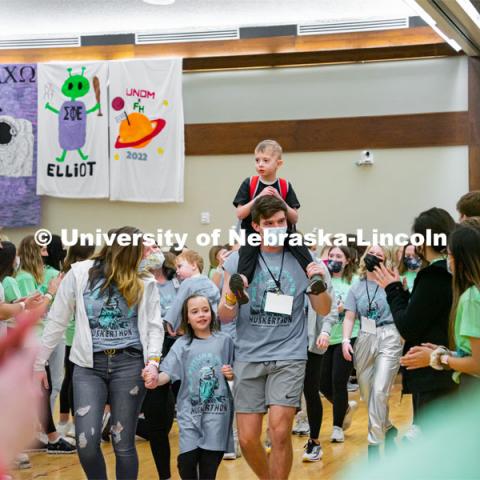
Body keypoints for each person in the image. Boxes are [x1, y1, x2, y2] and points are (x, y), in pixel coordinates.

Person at [34, 226, 164, 480]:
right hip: (88, 365)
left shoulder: (144, 280)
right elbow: (57, 320)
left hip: (129, 363)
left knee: (122, 440)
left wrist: (153, 362)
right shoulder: (80, 273)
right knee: (86, 442)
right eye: (142, 250)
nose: (147, 256)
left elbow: (154, 326)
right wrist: (39, 363)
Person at [219, 195, 332, 479]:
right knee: (247, 439)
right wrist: (233, 295)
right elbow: (225, 315)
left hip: (289, 354)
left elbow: (324, 309)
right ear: (256, 227)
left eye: (281, 222)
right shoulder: (238, 260)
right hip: (248, 355)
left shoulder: (304, 260)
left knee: (280, 431)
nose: (277, 228)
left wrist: (318, 286)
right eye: (269, 223)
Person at [373, 208, 457, 436]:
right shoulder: (453, 273)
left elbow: (408, 326)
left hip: (433, 371)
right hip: (447, 366)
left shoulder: (433, 276)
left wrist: (392, 290)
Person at [144, 295, 234, 480]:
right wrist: (155, 379)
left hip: (217, 416)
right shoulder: (182, 345)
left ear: (212, 313)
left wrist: (231, 374)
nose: (201, 315)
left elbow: (237, 372)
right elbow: (168, 373)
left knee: (209, 470)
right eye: (195, 312)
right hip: (189, 415)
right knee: (187, 464)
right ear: (187, 318)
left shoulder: (225, 340)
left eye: (205, 310)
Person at [230, 139, 325, 304]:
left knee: (297, 242)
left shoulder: (285, 185)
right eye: (257, 160)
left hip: (282, 233)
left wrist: (280, 200)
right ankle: (242, 284)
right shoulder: (250, 183)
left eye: (266, 160)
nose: (260, 164)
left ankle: (314, 276)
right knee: (248, 252)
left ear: (278, 163)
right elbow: (240, 213)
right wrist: (259, 197)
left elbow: (294, 217)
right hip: (256, 233)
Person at [400, 219, 480, 392]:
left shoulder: (472, 297)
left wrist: (438, 358)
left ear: (461, 259)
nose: (447, 260)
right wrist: (447, 353)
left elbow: (477, 364)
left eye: (449, 254)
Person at [342, 245, 402, 460]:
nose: (374, 257)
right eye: (371, 253)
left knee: (379, 391)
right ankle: (387, 427)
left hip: (390, 334)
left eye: (380, 255)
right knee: (368, 393)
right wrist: (345, 340)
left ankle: (374, 445)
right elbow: (349, 316)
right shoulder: (356, 287)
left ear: (385, 260)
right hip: (365, 336)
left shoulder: (392, 282)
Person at [316, 246, 359, 445]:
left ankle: (337, 427)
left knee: (338, 381)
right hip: (326, 337)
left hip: (347, 337)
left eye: (338, 256)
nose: (334, 259)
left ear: (348, 260)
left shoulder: (355, 281)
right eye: (331, 255)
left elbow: (362, 307)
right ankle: (345, 408)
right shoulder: (323, 280)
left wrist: (345, 308)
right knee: (322, 384)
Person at [57, 242, 96, 439]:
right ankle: (69, 421)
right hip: (73, 336)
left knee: (69, 380)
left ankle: (66, 421)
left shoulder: (71, 272)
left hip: (74, 335)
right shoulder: (72, 274)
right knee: (72, 381)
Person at [165, 250, 220, 333]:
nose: (177, 271)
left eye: (179, 266)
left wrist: (170, 322)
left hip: (194, 327)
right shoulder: (209, 282)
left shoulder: (187, 283)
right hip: (212, 325)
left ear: (194, 265)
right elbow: (218, 299)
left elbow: (178, 303)